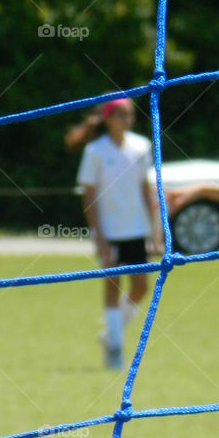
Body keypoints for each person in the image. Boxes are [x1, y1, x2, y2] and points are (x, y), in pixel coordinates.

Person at [68, 98, 160, 369]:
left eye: (130, 115)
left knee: (142, 287)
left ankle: (110, 333)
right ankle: (115, 349)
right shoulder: (96, 151)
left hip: (136, 228)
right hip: (110, 231)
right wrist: (100, 238)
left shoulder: (141, 146)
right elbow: (89, 196)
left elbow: (146, 188)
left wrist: (156, 229)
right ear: (108, 118)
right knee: (112, 285)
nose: (127, 120)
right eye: (121, 115)